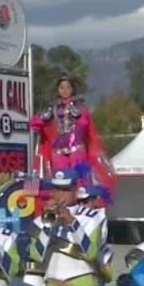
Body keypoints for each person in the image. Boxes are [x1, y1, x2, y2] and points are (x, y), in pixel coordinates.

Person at [30, 75, 114, 203]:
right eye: (62, 87)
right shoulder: (52, 107)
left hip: (76, 146)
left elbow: (83, 121)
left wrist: (79, 117)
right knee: (60, 177)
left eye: (68, 87)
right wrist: (38, 123)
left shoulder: (79, 105)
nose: (65, 90)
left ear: (73, 89)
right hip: (58, 148)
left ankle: (83, 202)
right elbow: (39, 120)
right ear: (57, 90)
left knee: (80, 177)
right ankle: (61, 202)